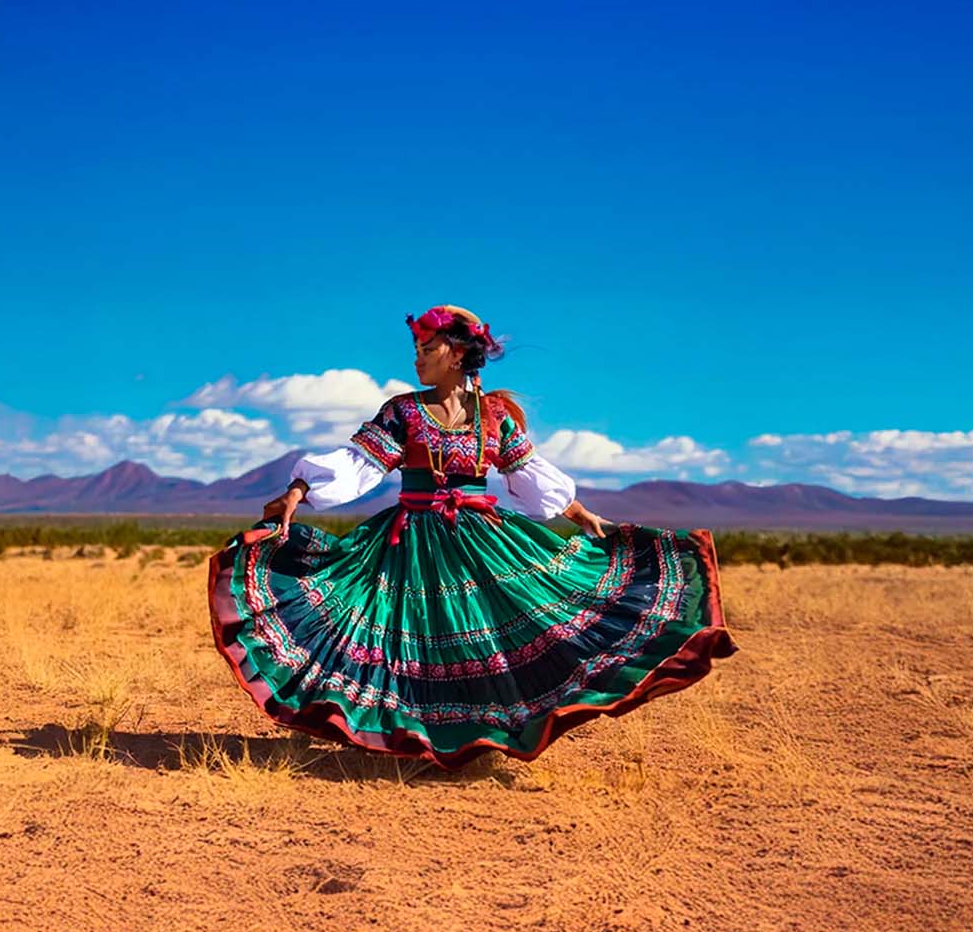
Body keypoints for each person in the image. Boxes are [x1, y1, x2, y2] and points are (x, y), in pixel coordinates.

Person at [206, 304, 737, 769]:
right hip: (410, 543)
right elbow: (357, 465)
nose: (417, 357)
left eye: (427, 346)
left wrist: (585, 518)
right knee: (403, 637)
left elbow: (529, 475)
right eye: (416, 347)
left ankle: (478, 733)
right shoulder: (402, 412)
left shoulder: (495, 416)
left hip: (481, 540)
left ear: (457, 354)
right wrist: (298, 490)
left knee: (501, 633)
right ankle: (409, 735)